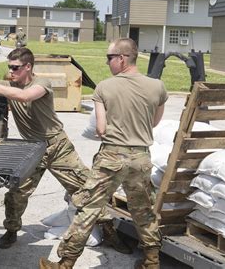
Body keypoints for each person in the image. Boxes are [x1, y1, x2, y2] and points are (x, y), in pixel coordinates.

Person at [0, 48, 129, 254]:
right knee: (16, 194)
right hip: (31, 150)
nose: (11, 71)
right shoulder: (9, 86)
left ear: (28, 67)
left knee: (86, 190)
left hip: (57, 147)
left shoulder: (42, 84)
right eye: (9, 67)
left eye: (15, 67)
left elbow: (24, 97)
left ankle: (110, 231)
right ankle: (11, 230)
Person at [40, 38, 167, 269]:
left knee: (89, 208)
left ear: (122, 58)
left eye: (110, 57)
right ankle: (152, 262)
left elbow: (100, 129)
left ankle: (65, 263)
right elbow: (154, 122)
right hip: (140, 158)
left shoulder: (105, 87)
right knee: (144, 211)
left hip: (111, 157)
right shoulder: (157, 87)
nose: (107, 62)